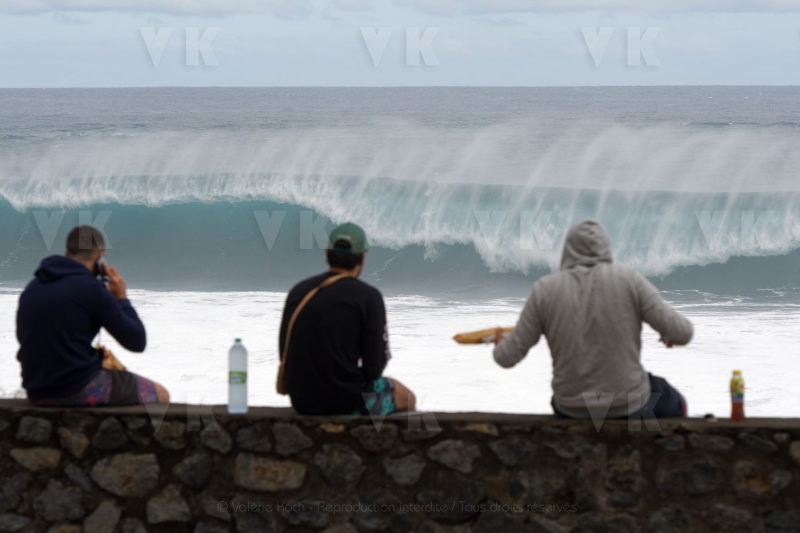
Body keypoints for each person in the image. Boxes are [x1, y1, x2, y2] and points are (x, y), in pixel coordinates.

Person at [493, 219, 693, 420]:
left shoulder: (545, 290)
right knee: (673, 401)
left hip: (570, 407)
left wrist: (501, 343)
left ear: (568, 250)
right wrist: (668, 333)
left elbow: (506, 358)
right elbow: (683, 333)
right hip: (627, 404)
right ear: (607, 249)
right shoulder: (630, 281)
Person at [16, 226, 169, 407]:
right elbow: (137, 341)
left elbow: (46, 340)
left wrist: (93, 356)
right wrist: (121, 299)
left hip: (36, 390)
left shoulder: (33, 287)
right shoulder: (91, 290)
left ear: (67, 253)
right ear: (99, 258)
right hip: (74, 388)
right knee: (160, 393)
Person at [279, 222, 415, 416]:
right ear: (362, 257)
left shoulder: (298, 292)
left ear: (327, 254)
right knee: (407, 398)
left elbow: (284, 352)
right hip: (346, 401)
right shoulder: (368, 297)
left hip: (302, 400)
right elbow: (374, 368)